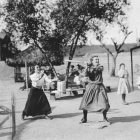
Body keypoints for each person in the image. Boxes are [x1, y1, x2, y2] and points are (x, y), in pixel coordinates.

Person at [79, 55, 110, 123]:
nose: (97, 60)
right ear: (92, 61)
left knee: (104, 103)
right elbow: (86, 75)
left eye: (98, 59)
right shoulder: (89, 67)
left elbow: (97, 69)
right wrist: (87, 67)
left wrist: (90, 66)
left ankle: (104, 118)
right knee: (86, 103)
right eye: (96, 59)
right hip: (91, 86)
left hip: (100, 87)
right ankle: (84, 118)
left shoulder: (100, 66)